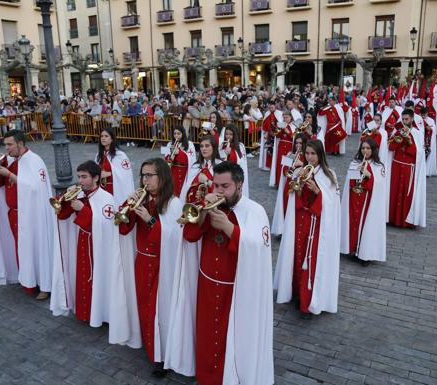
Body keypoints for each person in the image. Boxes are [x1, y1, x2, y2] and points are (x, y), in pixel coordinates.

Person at [183, 161, 273, 385]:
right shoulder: (208, 205)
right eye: (216, 186)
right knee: (206, 334)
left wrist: (230, 228)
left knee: (230, 337)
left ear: (239, 185)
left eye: (226, 186)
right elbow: (190, 236)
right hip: (207, 284)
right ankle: (206, 377)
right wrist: (203, 213)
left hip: (237, 288)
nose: (219, 191)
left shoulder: (255, 211)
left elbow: (258, 249)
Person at [51, 161, 139, 347]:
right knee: (82, 276)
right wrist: (66, 202)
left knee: (98, 278)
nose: (80, 181)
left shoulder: (106, 198)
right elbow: (62, 216)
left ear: (96, 178)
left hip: (99, 247)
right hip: (82, 242)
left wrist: (83, 210)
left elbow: (105, 225)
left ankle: (101, 313)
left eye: (84, 177)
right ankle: (84, 312)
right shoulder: (80, 194)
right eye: (79, 177)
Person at [118, 158, 191, 377]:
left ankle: (162, 356)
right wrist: (127, 207)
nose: (145, 180)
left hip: (162, 265)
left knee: (160, 310)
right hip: (142, 261)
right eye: (143, 175)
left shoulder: (174, 203)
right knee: (145, 308)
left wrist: (151, 220)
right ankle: (149, 345)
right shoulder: (140, 199)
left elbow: (173, 237)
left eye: (150, 175)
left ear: (163, 177)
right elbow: (124, 229)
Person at [274, 139, 340, 318]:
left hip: (316, 225)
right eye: (307, 153)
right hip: (299, 221)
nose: (310, 158)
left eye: (313, 154)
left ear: (320, 155)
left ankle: (308, 298)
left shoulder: (328, 175)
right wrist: (299, 186)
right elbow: (292, 197)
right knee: (296, 255)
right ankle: (294, 292)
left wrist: (319, 192)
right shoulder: (299, 171)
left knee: (310, 260)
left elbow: (332, 203)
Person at [0, 130, 54, 300]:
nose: (7, 148)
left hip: (32, 216)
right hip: (14, 214)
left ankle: (44, 285)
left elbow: (35, 189)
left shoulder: (34, 161)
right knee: (22, 249)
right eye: (6, 145)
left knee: (36, 247)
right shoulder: (13, 161)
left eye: (10, 144)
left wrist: (9, 174)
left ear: (21, 144)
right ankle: (26, 278)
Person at [340, 138, 387, 266]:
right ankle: (352, 249)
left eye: (368, 148)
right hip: (354, 198)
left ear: (373, 150)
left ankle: (365, 254)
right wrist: (357, 172)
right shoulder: (355, 163)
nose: (365, 151)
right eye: (363, 148)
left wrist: (369, 175)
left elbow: (379, 186)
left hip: (369, 202)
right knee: (353, 222)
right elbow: (350, 182)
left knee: (366, 225)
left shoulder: (379, 166)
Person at [387, 109, 426, 228]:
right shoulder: (397, 131)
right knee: (394, 192)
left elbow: (417, 154)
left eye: (407, 119)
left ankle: (404, 220)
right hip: (396, 166)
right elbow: (391, 148)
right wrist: (399, 137)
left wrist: (409, 141)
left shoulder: (418, 134)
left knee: (406, 193)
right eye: (403, 119)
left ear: (412, 119)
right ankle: (392, 219)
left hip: (409, 168)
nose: (404, 121)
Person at [272, 133, 306, 236]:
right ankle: (285, 229)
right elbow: (284, 171)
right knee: (286, 206)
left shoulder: (308, 155)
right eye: (296, 143)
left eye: (300, 143)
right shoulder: (290, 154)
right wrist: (291, 164)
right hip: (289, 184)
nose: (298, 145)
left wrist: (302, 164)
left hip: (301, 186)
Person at [180, 135, 221, 203]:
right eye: (201, 146)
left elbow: (223, 191)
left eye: (207, 146)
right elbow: (186, 190)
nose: (203, 149)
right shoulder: (195, 167)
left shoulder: (221, 166)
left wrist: (207, 181)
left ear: (214, 148)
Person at [165, 125, 196, 197]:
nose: (176, 136)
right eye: (175, 133)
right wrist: (169, 156)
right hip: (173, 171)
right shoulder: (169, 144)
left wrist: (179, 153)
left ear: (183, 134)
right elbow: (166, 160)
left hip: (184, 172)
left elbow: (190, 159)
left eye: (178, 133)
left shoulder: (189, 144)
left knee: (183, 192)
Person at [219, 124, 249, 197]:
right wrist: (225, 153)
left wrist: (230, 153)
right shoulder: (223, 146)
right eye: (226, 134)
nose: (228, 136)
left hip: (236, 174)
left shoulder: (240, 146)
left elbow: (239, 161)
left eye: (230, 134)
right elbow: (220, 161)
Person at [269, 110, 295, 187]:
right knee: (279, 164)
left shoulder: (294, 126)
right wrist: (279, 130)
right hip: (281, 146)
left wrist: (288, 132)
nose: (285, 119)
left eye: (287, 117)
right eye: (284, 117)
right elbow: (277, 136)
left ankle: (286, 182)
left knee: (287, 164)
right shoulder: (282, 125)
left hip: (289, 147)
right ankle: (278, 182)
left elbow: (295, 138)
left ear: (291, 117)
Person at [260, 101, 282, 171]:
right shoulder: (267, 113)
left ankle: (274, 166)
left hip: (276, 135)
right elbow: (264, 124)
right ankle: (268, 166)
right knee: (268, 151)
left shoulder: (279, 113)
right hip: (269, 135)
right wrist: (266, 133)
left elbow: (281, 123)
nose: (271, 108)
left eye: (272, 107)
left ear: (275, 106)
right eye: (269, 107)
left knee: (275, 150)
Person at [420, 107, 437, 176]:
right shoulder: (419, 119)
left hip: (428, 141)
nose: (423, 116)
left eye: (424, 115)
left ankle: (427, 170)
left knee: (427, 155)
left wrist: (430, 128)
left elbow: (434, 129)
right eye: (422, 115)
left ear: (427, 113)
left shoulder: (431, 120)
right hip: (421, 139)